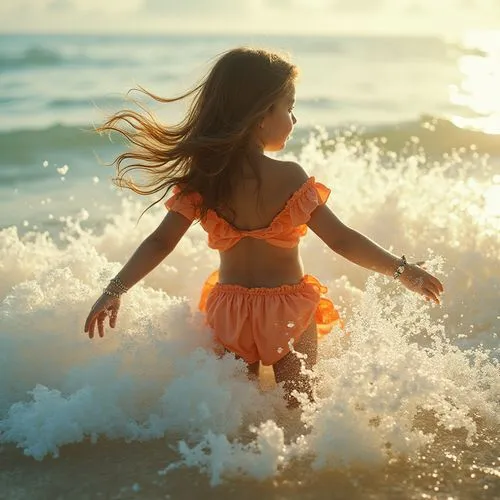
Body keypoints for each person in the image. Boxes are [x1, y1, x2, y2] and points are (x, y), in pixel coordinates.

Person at [84, 47, 444, 408]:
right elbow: (342, 240)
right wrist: (401, 270)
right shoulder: (289, 176)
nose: (294, 119)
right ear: (261, 115)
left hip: (230, 312)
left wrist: (115, 289)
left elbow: (160, 242)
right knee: (300, 406)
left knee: (237, 410)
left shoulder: (205, 181)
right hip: (290, 311)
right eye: (289, 108)